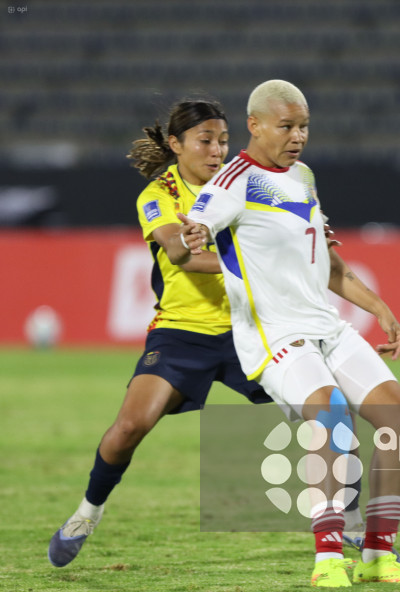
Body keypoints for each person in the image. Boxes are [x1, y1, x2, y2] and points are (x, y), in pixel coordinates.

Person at [47, 99, 366, 569]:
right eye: (205, 141)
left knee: (332, 408)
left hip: (257, 327)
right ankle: (86, 513)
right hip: (183, 333)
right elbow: (182, 253)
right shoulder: (158, 195)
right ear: (176, 145)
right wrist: (265, 266)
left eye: (222, 140)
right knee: (129, 427)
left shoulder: (251, 181)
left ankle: (350, 515)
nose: (217, 150)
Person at [180, 79, 400, 587]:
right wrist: (195, 232)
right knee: (333, 417)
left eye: (304, 127)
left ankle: (380, 556)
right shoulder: (233, 181)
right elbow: (196, 231)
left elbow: (330, 265)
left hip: (325, 327)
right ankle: (327, 561)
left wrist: (383, 310)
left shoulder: (304, 177)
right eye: (287, 126)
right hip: (275, 336)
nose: (298, 137)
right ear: (255, 125)